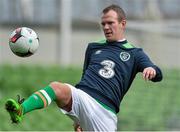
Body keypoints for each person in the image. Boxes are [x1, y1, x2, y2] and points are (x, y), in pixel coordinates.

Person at [5, 4, 163, 131]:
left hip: (105, 112)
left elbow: (158, 74)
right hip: (83, 96)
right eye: (103, 24)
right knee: (56, 88)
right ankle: (21, 110)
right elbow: (85, 75)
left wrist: (152, 70)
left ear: (123, 24)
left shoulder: (135, 53)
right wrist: (79, 118)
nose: (106, 27)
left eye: (110, 23)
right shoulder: (93, 47)